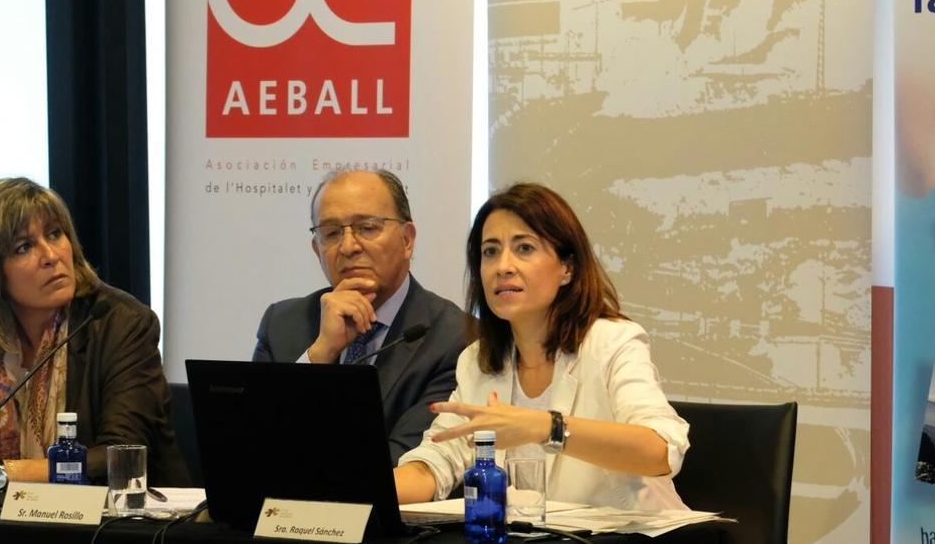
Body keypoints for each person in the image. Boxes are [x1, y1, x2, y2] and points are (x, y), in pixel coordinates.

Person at [394, 183, 689, 510]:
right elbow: (440, 457)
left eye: (524, 248)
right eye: (490, 251)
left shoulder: (612, 342)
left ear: (567, 268)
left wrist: (546, 427)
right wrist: (358, 491)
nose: (503, 266)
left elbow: (661, 450)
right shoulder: (477, 361)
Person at [0, 177, 188, 494]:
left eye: (54, 234)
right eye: (24, 247)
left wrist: (0, 475)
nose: (51, 255)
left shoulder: (119, 322)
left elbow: (119, 455)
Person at [252, 169, 466, 463]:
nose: (349, 246)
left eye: (367, 228)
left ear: (407, 239)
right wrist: (320, 355)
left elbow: (404, 460)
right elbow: (253, 447)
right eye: (331, 233)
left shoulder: (455, 337)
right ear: (317, 250)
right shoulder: (282, 324)